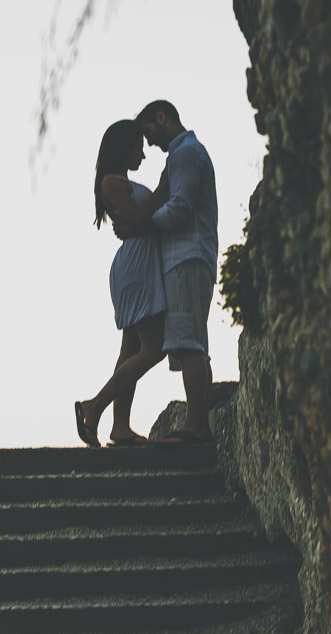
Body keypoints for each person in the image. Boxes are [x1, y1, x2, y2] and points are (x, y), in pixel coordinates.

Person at [116, 100, 218, 445]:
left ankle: (195, 427)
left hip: (187, 257)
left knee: (188, 342)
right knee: (193, 342)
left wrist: (140, 228)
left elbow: (180, 208)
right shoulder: (184, 153)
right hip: (187, 257)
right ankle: (198, 423)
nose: (150, 142)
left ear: (162, 117)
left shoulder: (186, 153)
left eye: (149, 132)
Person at [75, 120, 169, 447]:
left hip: (140, 263)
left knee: (130, 350)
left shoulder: (122, 181)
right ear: (123, 146)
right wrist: (162, 190)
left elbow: (140, 222)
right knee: (154, 348)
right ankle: (94, 406)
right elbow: (140, 219)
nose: (143, 155)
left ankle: (120, 427)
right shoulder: (111, 182)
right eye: (138, 147)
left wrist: (147, 217)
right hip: (136, 267)